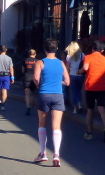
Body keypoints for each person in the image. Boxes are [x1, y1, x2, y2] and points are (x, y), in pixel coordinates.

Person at [33, 38, 70, 167]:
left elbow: (36, 78)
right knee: (56, 126)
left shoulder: (40, 62)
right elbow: (67, 82)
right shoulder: (61, 63)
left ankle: (43, 153)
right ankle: (56, 155)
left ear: (44, 49)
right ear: (56, 49)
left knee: (42, 123)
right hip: (58, 95)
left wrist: (40, 84)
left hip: (44, 94)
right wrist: (58, 82)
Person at [79, 40, 105, 143]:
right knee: (102, 109)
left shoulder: (88, 57)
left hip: (90, 87)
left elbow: (85, 68)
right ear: (102, 50)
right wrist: (103, 72)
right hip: (101, 87)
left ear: (93, 48)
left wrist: (79, 71)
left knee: (90, 110)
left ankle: (89, 133)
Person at [64, 41, 85, 114]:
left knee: (74, 91)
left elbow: (68, 67)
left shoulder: (69, 56)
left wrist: (66, 75)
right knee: (79, 90)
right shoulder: (82, 55)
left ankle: (75, 108)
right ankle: (80, 105)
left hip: (72, 75)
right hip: (80, 75)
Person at [22, 49, 38, 116]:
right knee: (33, 94)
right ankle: (31, 108)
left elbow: (23, 70)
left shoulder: (25, 60)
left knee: (27, 94)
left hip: (26, 77)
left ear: (29, 54)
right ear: (35, 54)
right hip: (34, 77)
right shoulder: (37, 61)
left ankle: (28, 107)